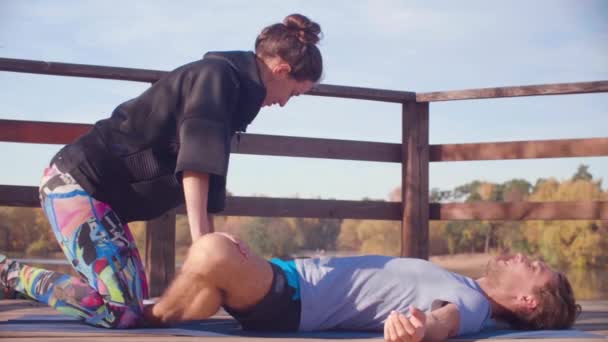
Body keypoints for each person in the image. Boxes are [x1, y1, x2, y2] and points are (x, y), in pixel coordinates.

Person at [0, 13, 323, 328]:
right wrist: (204, 249)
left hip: (102, 201)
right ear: (281, 70)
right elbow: (196, 164)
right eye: (293, 93)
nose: (283, 103)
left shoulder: (233, 88)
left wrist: (210, 251)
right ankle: (8, 274)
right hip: (75, 185)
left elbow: (206, 177)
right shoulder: (218, 78)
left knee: (135, 309)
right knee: (121, 311)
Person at [145, 233, 581, 341]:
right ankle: (193, 303)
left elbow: (443, 324)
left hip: (292, 300)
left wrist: (417, 329)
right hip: (288, 280)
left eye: (535, 267)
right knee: (211, 266)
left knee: (213, 249)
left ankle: (148, 314)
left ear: (527, 301)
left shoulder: (470, 304)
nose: (526, 257)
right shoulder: (464, 284)